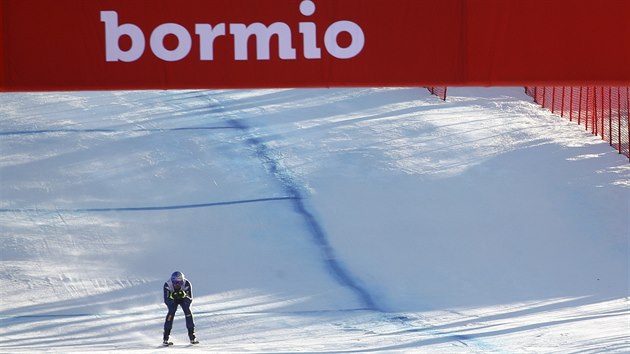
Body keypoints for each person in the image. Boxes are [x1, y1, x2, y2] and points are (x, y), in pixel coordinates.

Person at [162, 271, 198, 345]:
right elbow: (167, 301)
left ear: (183, 281)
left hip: (183, 299)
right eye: (175, 282)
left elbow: (190, 300)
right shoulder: (167, 285)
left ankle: (192, 336)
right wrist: (172, 297)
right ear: (172, 281)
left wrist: (184, 296)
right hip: (172, 300)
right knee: (171, 312)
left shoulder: (187, 284)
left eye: (180, 282)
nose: (177, 285)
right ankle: (166, 337)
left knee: (188, 312)